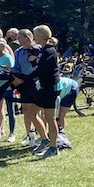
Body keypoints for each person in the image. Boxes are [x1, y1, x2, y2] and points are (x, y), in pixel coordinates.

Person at [32, 25, 61, 158]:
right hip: (44, 88)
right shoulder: (43, 50)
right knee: (31, 112)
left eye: (35, 35)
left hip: (50, 89)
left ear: (40, 36)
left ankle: (54, 148)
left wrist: (26, 78)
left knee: (50, 118)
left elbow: (42, 70)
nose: (34, 37)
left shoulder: (49, 51)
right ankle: (45, 140)